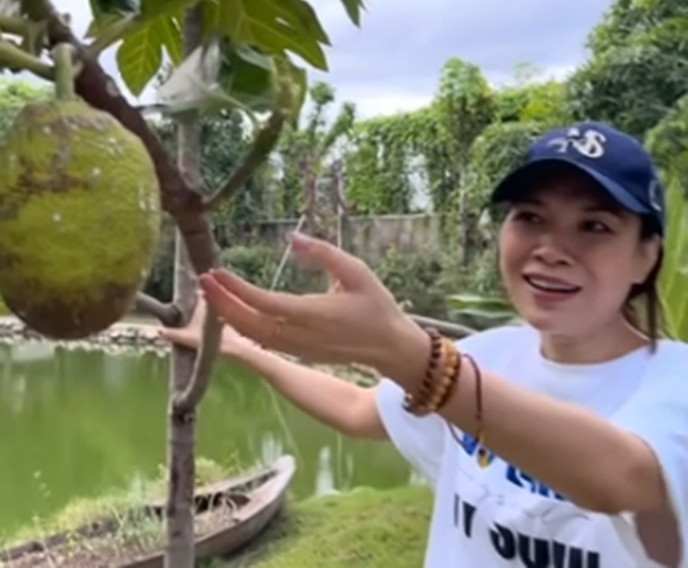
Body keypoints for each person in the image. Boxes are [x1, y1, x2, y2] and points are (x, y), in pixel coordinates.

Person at [161, 121, 688, 568]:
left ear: (647, 256)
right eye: (531, 217)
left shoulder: (675, 381)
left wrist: (412, 358)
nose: (551, 249)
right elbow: (359, 408)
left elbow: (627, 480)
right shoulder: (489, 355)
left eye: (594, 225)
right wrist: (242, 348)